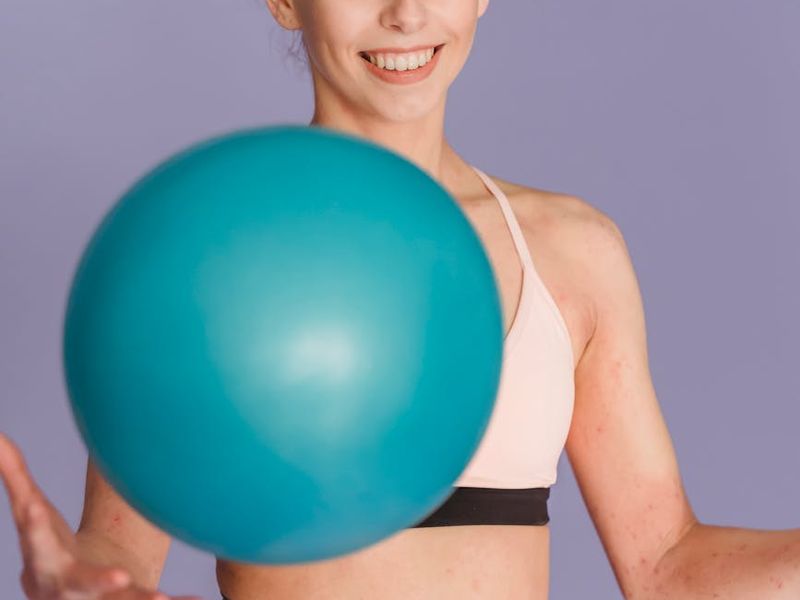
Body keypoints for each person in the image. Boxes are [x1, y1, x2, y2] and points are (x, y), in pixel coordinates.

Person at [3, 1, 800, 599]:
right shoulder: (198, 250)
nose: (405, 13)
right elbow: (118, 564)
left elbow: (666, 566)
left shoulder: (575, 254)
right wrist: (71, 581)